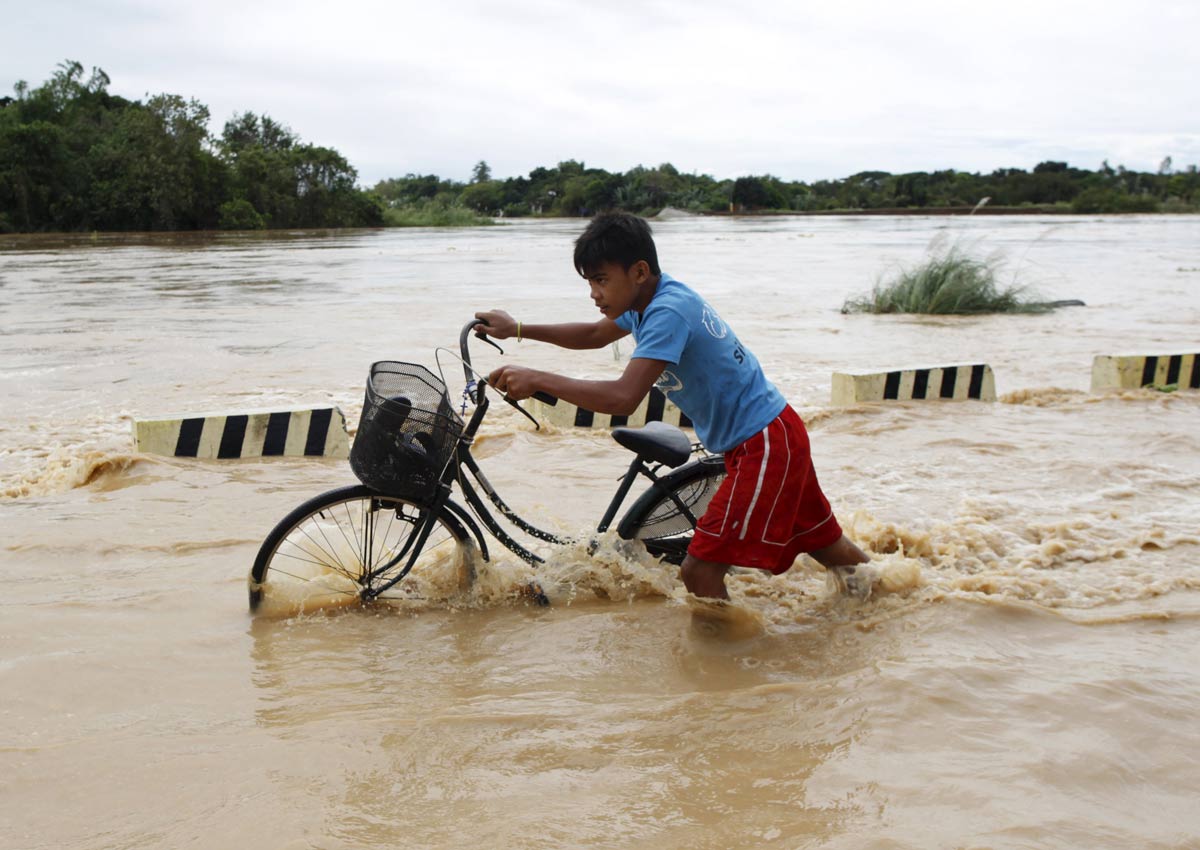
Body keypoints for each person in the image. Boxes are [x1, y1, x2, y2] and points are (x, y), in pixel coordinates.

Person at [475, 211, 877, 601]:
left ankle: (723, 666)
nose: (594, 293)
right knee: (825, 546)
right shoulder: (647, 302)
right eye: (589, 282)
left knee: (699, 571)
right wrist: (518, 330)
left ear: (639, 271)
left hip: (764, 444)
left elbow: (622, 397)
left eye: (601, 280)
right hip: (770, 436)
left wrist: (539, 379)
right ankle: (888, 603)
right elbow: (596, 334)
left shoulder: (667, 313)